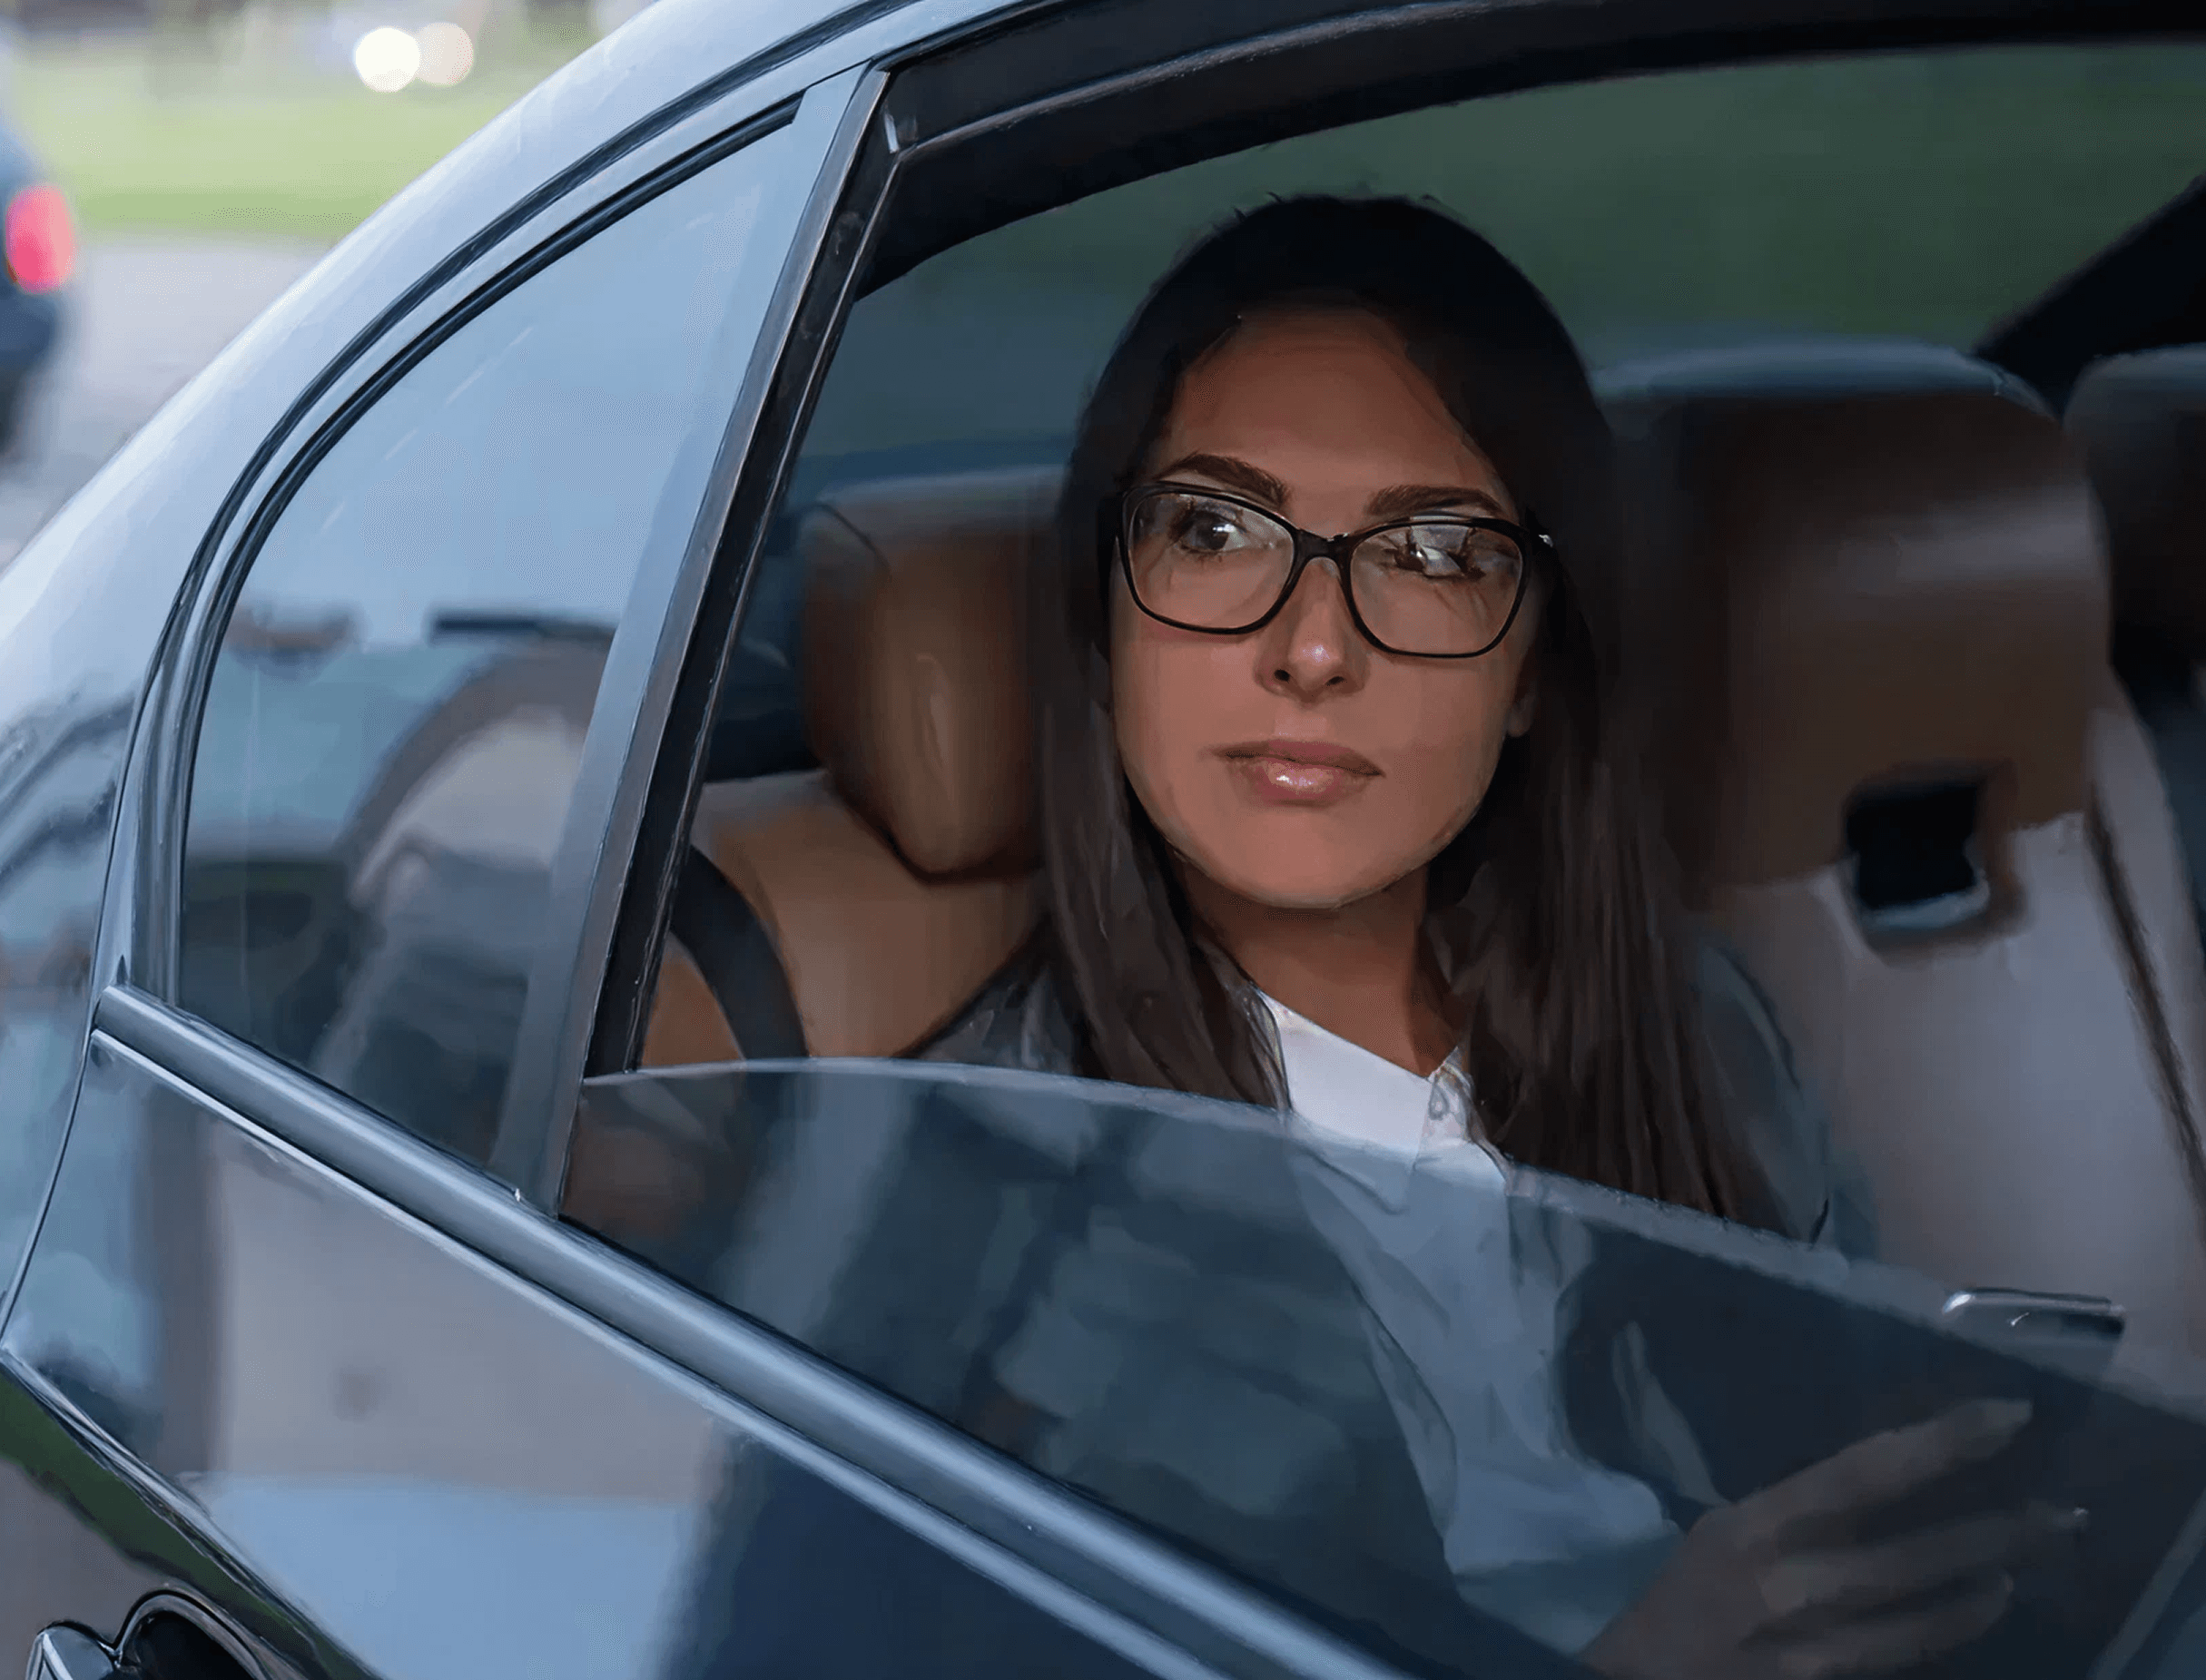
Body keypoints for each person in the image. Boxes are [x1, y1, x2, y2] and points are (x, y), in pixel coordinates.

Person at [920, 196, 2082, 1677]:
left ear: (1535, 670)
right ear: (1103, 614)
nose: (1313, 646)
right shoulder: (977, 1177)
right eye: (1213, 530)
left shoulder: (1691, 1021)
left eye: (1431, 552)